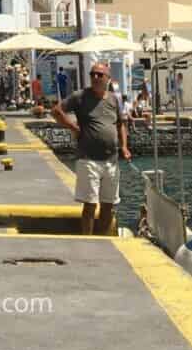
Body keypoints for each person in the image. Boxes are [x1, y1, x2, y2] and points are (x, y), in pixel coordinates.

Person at [52, 61, 132, 235]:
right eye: (92, 74)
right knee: (89, 205)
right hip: (88, 160)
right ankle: (88, 241)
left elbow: (121, 124)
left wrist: (124, 146)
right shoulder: (80, 96)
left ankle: (104, 241)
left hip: (111, 161)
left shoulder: (113, 99)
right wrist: (74, 128)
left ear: (108, 79)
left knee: (108, 205)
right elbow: (57, 111)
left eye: (99, 75)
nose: (95, 77)